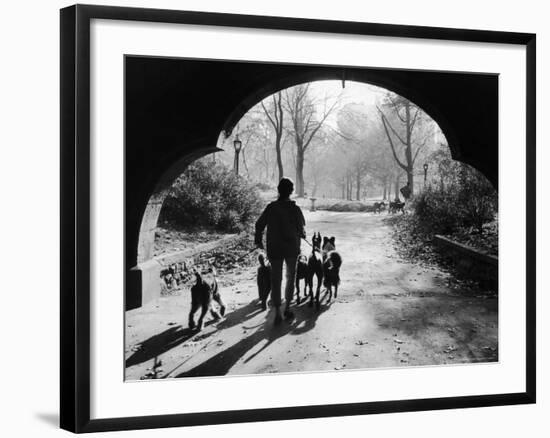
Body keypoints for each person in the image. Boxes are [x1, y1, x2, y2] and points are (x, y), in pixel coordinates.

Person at [255, 178, 306, 325]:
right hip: (291, 248)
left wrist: (258, 241)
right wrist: (302, 234)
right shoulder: (295, 209)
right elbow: (302, 228)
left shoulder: (271, 208)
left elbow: (259, 225)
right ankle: (287, 308)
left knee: (276, 279)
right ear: (291, 191)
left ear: (278, 190)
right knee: (291, 277)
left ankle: (277, 311)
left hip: (275, 248)